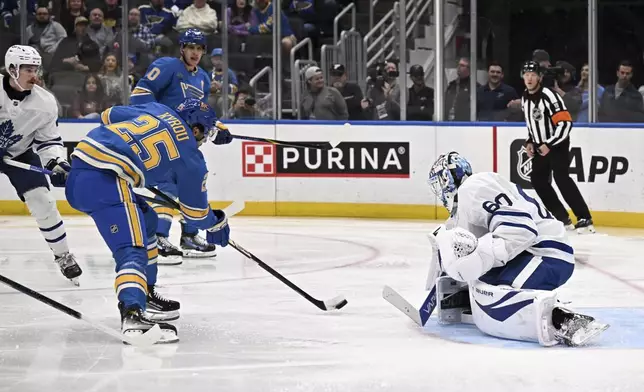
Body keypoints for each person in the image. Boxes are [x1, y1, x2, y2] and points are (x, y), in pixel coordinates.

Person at [65, 99, 233, 343]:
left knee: (148, 221)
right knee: (131, 250)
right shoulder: (191, 157)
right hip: (107, 181)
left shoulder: (158, 109)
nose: (203, 140)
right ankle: (132, 314)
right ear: (195, 129)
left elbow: (108, 115)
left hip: (80, 166)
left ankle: (146, 293)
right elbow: (195, 214)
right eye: (204, 134)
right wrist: (217, 222)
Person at [427, 151, 609, 347]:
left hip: (545, 255)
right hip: (538, 252)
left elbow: (522, 230)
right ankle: (547, 310)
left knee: (493, 293)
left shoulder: (472, 188)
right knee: (483, 283)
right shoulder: (470, 199)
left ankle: (565, 320)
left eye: (440, 183)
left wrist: (481, 258)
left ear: (448, 179)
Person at [129, 28, 220, 262]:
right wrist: (164, 119)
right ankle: (158, 237)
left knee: (193, 182)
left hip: (186, 142)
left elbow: (199, 114)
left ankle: (189, 236)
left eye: (199, 49)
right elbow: (139, 97)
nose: (195, 53)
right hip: (162, 137)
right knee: (166, 184)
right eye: (191, 47)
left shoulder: (203, 78)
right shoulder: (167, 66)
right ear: (182, 48)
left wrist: (215, 128)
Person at [0, 45, 82, 284]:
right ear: (12, 69)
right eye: (27, 69)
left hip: (20, 154)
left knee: (44, 202)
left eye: (35, 69)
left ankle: (63, 256)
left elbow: (49, 140)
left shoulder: (45, 102)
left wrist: (56, 162)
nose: (34, 75)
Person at [520, 60, 594, 233]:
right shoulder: (525, 97)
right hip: (541, 145)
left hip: (557, 144)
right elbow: (532, 124)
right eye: (526, 74)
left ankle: (584, 217)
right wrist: (530, 141)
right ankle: (562, 218)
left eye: (533, 75)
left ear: (539, 77)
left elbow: (565, 124)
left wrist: (550, 144)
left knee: (561, 178)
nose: (529, 78)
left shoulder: (548, 95)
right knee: (537, 180)